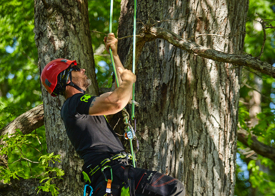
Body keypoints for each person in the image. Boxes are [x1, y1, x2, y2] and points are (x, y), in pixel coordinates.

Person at [41, 33, 185, 196]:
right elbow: (116, 102)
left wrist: (115, 55)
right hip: (113, 174)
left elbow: (118, 91)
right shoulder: (74, 102)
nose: (83, 70)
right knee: (173, 189)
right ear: (65, 78)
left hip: (114, 176)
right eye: (76, 69)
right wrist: (129, 81)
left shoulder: (81, 106)